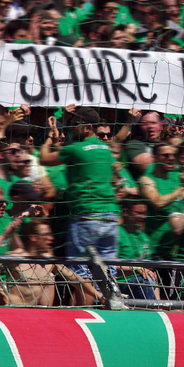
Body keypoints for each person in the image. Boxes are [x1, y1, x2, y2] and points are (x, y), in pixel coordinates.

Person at [39, 107, 120, 276]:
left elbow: (44, 158)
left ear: (87, 127)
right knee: (108, 270)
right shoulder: (106, 150)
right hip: (110, 217)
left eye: (76, 124)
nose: (72, 127)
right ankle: (110, 292)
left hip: (86, 216)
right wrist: (57, 137)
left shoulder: (76, 149)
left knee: (80, 272)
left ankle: (86, 294)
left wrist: (49, 138)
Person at [0, 221, 101, 306]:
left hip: (30, 313)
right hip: (10, 310)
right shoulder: (16, 257)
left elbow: (76, 280)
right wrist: (0, 292)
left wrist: (100, 296)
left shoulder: (49, 262)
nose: (51, 238)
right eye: (46, 235)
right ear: (34, 238)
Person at [115, 198, 159, 300]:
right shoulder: (116, 233)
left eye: (144, 213)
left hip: (144, 283)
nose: (143, 217)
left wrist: (159, 304)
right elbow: (110, 264)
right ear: (126, 212)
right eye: (138, 213)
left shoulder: (144, 237)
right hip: (120, 283)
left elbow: (150, 274)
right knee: (144, 282)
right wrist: (136, 268)